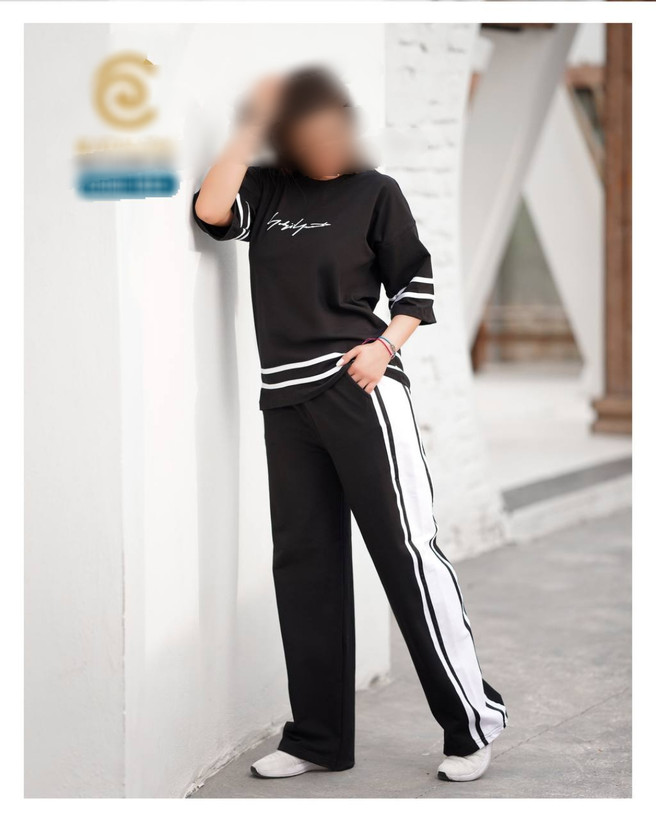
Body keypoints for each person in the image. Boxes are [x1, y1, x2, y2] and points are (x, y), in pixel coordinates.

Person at [191, 65, 508, 783]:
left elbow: (416, 287)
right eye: (310, 134)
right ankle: (318, 738)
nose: (328, 145)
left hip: (360, 389)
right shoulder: (267, 190)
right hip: (286, 402)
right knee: (305, 564)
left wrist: (384, 348)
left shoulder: (376, 192)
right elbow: (212, 209)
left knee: (405, 552)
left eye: (335, 130)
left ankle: (471, 724)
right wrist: (250, 121)